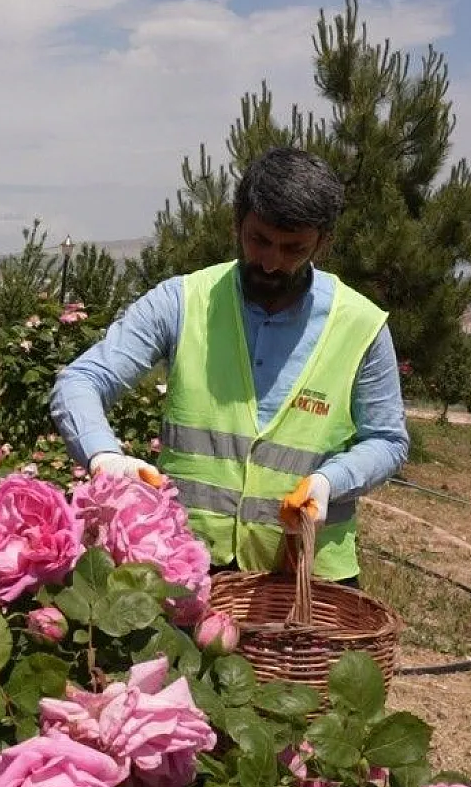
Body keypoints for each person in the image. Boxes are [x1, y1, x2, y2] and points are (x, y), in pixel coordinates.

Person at [49, 147, 408, 586]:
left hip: (309, 581)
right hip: (186, 567)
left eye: (294, 248)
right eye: (258, 240)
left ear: (324, 242)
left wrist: (331, 481)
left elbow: (388, 440)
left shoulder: (362, 326)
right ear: (237, 223)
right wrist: (103, 454)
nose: (272, 262)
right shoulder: (182, 302)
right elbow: (81, 380)